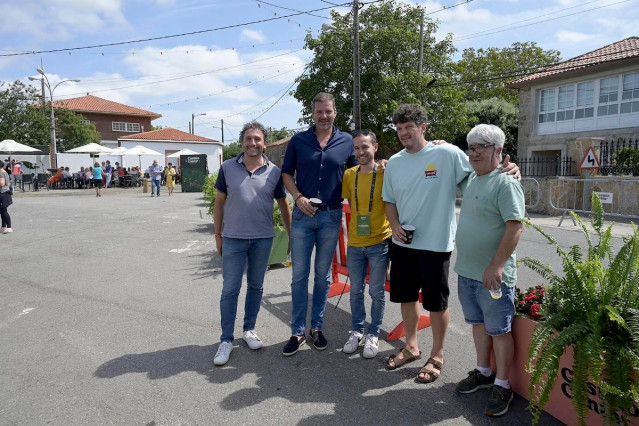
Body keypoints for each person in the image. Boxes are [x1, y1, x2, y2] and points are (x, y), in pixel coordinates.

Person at [382, 104, 519, 383]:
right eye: (399, 129)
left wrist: (509, 168)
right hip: (404, 243)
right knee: (406, 298)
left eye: (409, 127)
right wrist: (395, 226)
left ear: (423, 128)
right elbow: (389, 201)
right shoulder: (395, 162)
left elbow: (480, 172)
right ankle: (410, 346)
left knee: (436, 303)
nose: (404, 133)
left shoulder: (446, 153)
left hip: (436, 244)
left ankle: (437, 355)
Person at [454, 124, 525, 417]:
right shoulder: (471, 178)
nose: (474, 153)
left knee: (499, 330)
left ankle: (503, 383)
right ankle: (484, 371)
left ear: (498, 151)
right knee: (479, 324)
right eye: (472, 147)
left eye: (481, 146)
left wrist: (496, 266)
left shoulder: (505, 183)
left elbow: (516, 226)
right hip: (467, 272)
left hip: (494, 276)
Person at [280, 92, 358, 356]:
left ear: (335, 112)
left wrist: (382, 165)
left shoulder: (347, 141)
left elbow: (358, 171)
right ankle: (297, 331)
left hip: (331, 215)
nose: (324, 116)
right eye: (319, 112)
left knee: (323, 277)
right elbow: (286, 174)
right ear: (312, 114)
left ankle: (317, 328)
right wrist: (297, 196)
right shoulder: (299, 141)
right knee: (299, 276)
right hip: (303, 215)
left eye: (328, 111)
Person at [212, 121, 292, 366]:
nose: (253, 143)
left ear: (264, 142)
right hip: (234, 238)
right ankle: (226, 339)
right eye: (248, 139)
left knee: (256, 287)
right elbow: (219, 202)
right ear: (242, 141)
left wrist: (290, 235)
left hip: (262, 238)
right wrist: (218, 234)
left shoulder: (274, 171)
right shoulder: (227, 168)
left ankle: (249, 330)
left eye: (257, 139)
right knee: (230, 289)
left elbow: (283, 204)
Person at [341, 130, 392, 359]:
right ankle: (357, 331)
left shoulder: (385, 172)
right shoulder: (349, 175)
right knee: (355, 291)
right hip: (355, 243)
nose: (360, 151)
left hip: (379, 242)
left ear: (375, 147)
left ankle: (374, 333)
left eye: (365, 147)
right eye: (356, 148)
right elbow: (352, 203)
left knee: (377, 292)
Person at [0, 160, 13, 234]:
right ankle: (3, 227)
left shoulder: (0, 173)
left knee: (4, 211)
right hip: (6, 193)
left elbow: (1, 183)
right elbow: (8, 182)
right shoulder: (5, 172)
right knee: (2, 211)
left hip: (2, 193)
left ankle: (9, 227)